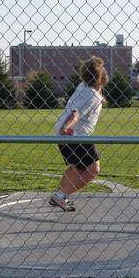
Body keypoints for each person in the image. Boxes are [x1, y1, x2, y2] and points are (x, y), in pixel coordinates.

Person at [49, 56, 109, 211]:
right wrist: (66, 127)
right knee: (93, 169)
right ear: (99, 76)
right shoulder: (92, 95)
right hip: (75, 134)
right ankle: (61, 196)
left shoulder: (82, 86)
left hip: (63, 134)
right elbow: (76, 113)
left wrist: (63, 130)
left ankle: (60, 196)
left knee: (76, 167)